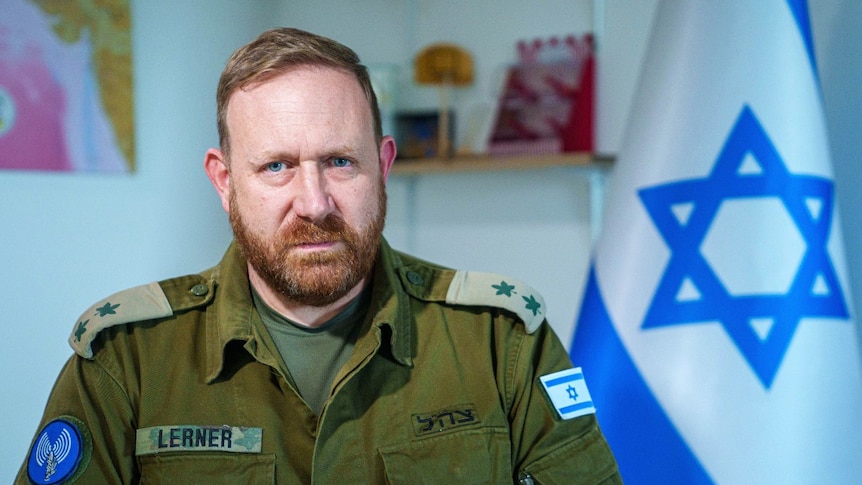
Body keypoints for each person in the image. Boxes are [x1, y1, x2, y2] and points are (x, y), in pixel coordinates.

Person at [17, 27, 621, 484]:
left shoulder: (501, 342)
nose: (314, 203)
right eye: (276, 166)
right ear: (224, 181)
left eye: (339, 162)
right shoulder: (128, 361)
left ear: (382, 166)